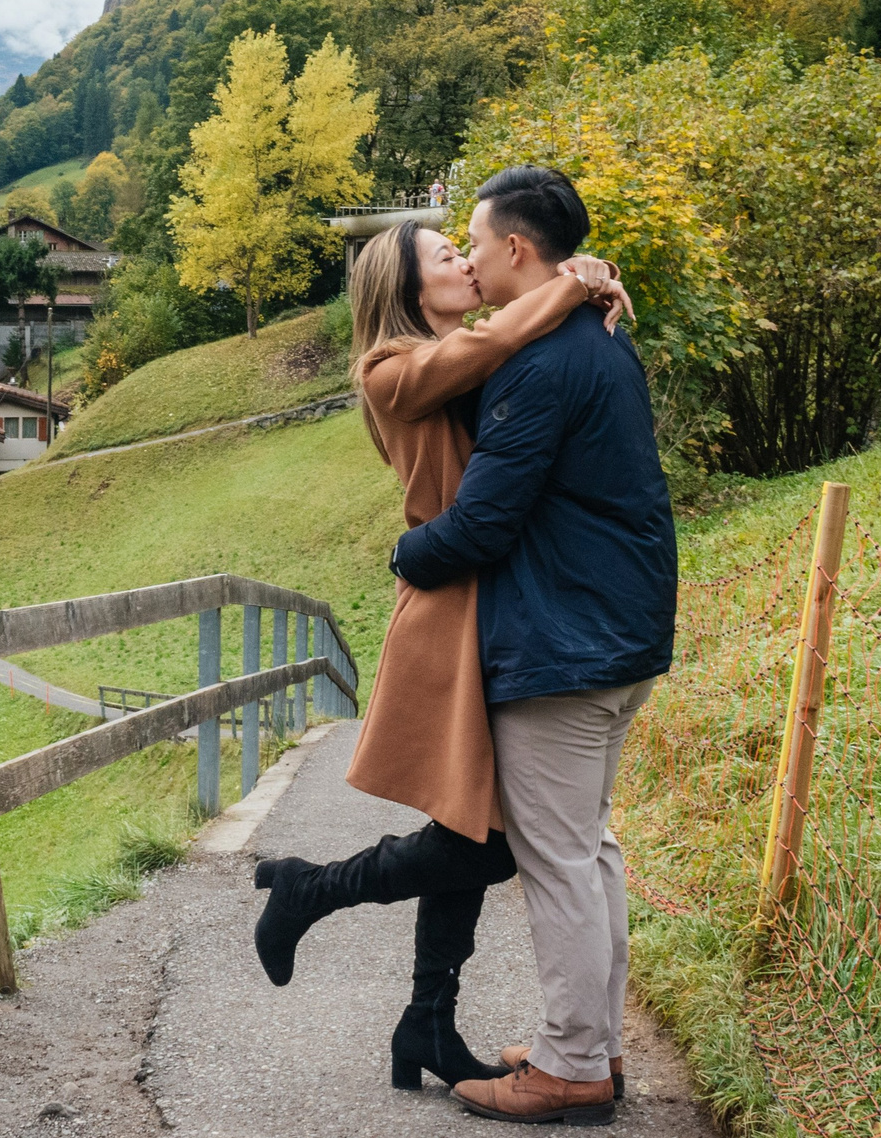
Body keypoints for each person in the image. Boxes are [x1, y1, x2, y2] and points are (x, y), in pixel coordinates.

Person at [252, 218, 628, 1092]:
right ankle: (313, 889)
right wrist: (571, 283)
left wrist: (592, 281)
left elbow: (519, 356)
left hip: (487, 598)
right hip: (449, 605)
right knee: (490, 840)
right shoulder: (390, 370)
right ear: (408, 289)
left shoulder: (463, 351)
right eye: (445, 256)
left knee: (473, 825)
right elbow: (500, 338)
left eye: (466, 249)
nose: (465, 260)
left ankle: (426, 1020)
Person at [392, 167, 677, 1128]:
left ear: (517, 249)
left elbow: (480, 524)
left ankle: (568, 1070)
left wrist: (406, 552)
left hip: (565, 645)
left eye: (472, 241)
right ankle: (587, 1042)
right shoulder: (600, 335)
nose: (467, 256)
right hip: (618, 635)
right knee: (589, 849)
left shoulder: (543, 360)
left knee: (559, 858)